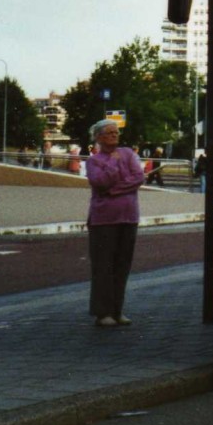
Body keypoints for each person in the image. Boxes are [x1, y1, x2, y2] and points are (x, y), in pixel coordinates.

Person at [85, 119, 145, 328]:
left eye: (116, 132)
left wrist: (115, 190)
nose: (114, 135)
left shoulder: (128, 153)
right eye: (109, 133)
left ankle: (117, 310)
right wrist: (113, 163)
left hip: (128, 217)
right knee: (103, 266)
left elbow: (138, 177)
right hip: (103, 220)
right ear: (99, 137)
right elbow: (100, 182)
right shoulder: (93, 161)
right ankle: (103, 313)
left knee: (122, 266)